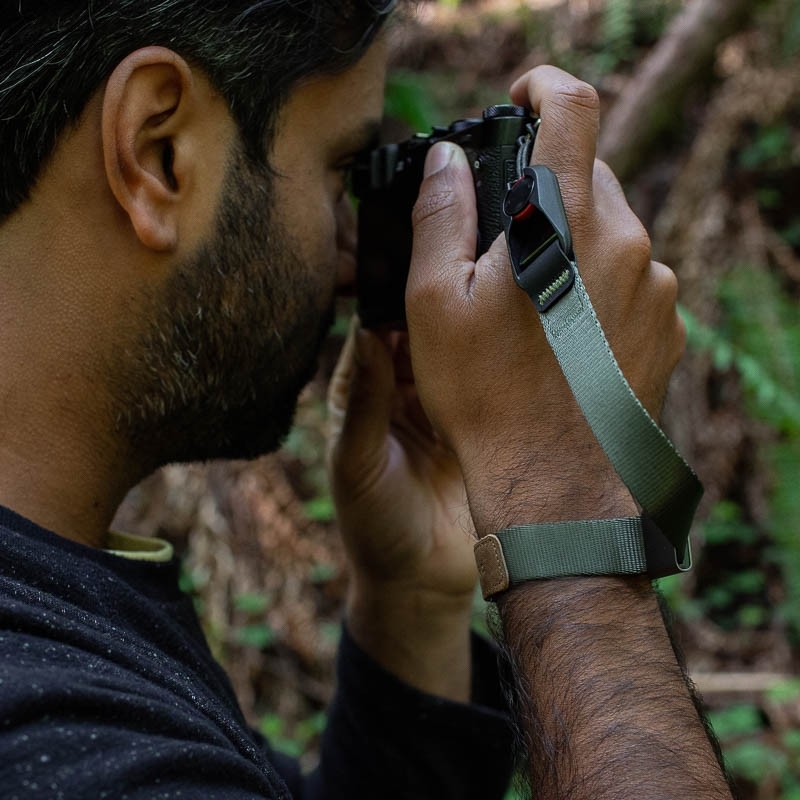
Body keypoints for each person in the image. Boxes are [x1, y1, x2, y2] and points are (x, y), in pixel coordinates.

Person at [0, 1, 732, 799]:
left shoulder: (53, 654)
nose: (355, 264)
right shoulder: (54, 742)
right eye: (340, 169)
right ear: (158, 150)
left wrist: (409, 600)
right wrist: (574, 513)